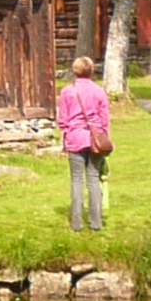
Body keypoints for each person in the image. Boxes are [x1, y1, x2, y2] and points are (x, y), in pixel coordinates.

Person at [56, 55, 111, 232]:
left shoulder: (67, 91)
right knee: (93, 180)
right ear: (91, 71)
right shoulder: (99, 91)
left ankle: (76, 223)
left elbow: (63, 121)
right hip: (96, 140)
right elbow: (104, 120)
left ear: (75, 70)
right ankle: (96, 223)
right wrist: (104, 141)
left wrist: (63, 141)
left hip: (74, 138)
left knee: (77, 180)